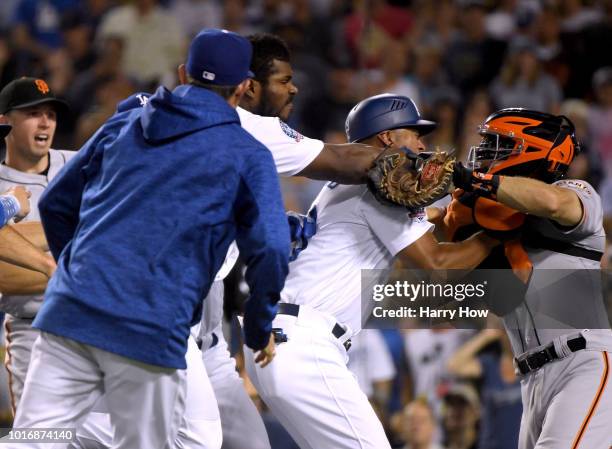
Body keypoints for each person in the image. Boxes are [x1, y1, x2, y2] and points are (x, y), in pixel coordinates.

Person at [10, 28, 290, 449]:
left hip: (70, 311)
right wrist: (258, 327)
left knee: (33, 439)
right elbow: (270, 247)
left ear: (183, 73)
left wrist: (81, 272)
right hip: (148, 327)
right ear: (246, 87)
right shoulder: (247, 154)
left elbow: (55, 203)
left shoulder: (126, 121)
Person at [243, 93, 499, 449]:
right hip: (305, 344)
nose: (422, 144)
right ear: (387, 138)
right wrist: (498, 232)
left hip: (286, 342)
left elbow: (404, 224)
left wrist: (444, 213)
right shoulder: (379, 184)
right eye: (414, 133)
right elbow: (439, 267)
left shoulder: (355, 183)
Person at [450, 108, 611, 448]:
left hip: (582, 361)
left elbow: (553, 203)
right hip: (531, 379)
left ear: (532, 149)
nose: (486, 153)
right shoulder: (489, 213)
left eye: (499, 144)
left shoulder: (576, 190)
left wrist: (477, 182)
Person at [0, 76, 72, 412]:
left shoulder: (79, 164)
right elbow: (4, 276)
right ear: (4, 122)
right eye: (32, 113)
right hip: (34, 331)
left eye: (51, 114)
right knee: (39, 440)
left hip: (96, 330)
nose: (45, 122)